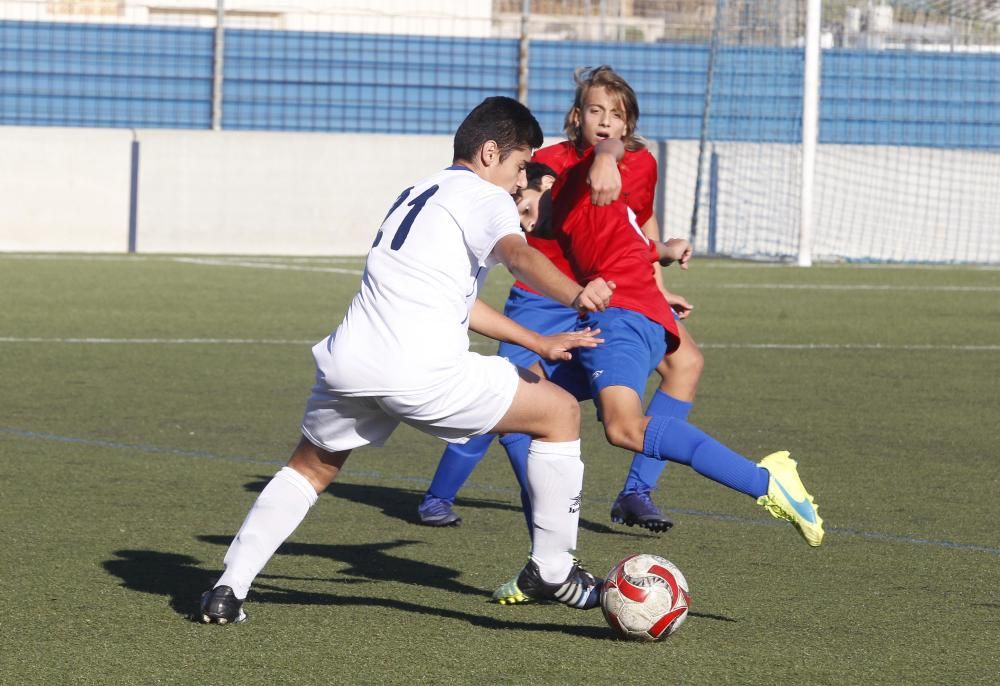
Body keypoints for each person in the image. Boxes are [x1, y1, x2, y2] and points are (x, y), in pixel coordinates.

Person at [198, 96, 617, 624]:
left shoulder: (419, 191)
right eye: (518, 166)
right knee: (560, 413)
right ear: (490, 153)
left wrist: (536, 342)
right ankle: (553, 570)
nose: (519, 181)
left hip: (350, 360)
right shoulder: (486, 197)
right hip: (419, 370)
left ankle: (227, 589)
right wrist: (577, 294)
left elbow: (455, 299)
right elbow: (520, 257)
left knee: (309, 469)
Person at [491, 111, 825, 603]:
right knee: (516, 409)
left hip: (620, 320)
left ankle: (765, 479)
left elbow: (603, 155)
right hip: (616, 319)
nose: (523, 219)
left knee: (624, 427)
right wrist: (664, 251)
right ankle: (547, 563)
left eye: (523, 205)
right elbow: (629, 240)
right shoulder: (564, 216)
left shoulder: (580, 186)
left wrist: (606, 153)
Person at [417, 66, 704, 533]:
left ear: (629, 123)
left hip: (607, 292)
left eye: (616, 113)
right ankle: (441, 495)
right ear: (576, 116)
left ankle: (636, 491)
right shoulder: (545, 161)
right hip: (543, 295)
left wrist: (657, 284)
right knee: (510, 394)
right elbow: (515, 218)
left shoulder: (642, 164)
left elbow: (641, 223)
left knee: (685, 361)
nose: (606, 121)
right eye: (595, 110)